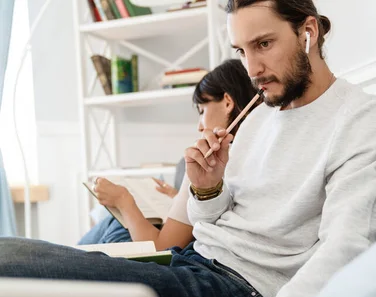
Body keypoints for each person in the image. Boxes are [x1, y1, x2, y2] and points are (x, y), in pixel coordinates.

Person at [0, 0, 376, 297]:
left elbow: (346, 251)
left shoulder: (360, 119)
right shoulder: (261, 115)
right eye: (241, 51)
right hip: (192, 262)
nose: (253, 69)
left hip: (239, 294)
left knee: (11, 264)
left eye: (264, 44)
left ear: (308, 32)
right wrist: (208, 186)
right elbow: (216, 218)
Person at [77, 59, 259, 251]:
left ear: (228, 102)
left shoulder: (208, 161)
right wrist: (181, 200)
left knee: (113, 223)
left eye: (202, 110)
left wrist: (123, 201)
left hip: (167, 253)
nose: (199, 125)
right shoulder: (257, 152)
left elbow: (160, 248)